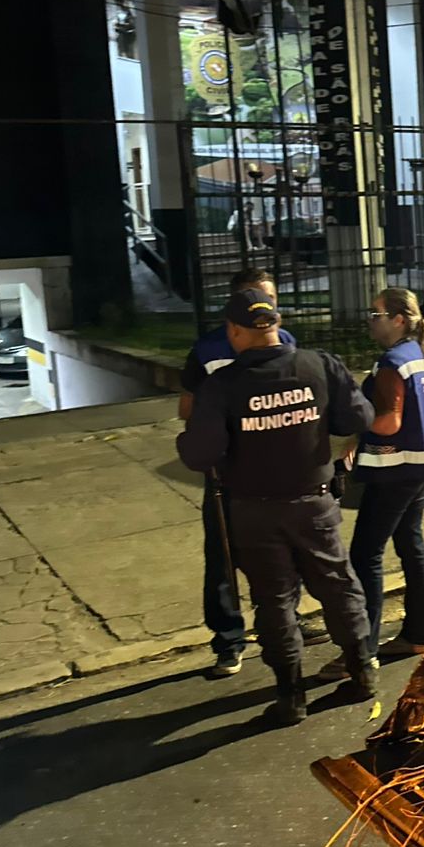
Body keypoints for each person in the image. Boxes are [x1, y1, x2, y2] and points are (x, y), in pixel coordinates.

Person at [176, 288, 374, 727]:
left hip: (255, 512)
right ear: (276, 323)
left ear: (234, 331)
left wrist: (187, 440)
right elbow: (358, 418)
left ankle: (291, 696)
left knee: (274, 600)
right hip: (315, 503)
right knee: (338, 586)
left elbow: (200, 453)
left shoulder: (223, 386)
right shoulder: (319, 365)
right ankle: (362, 672)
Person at [179, 267, 297, 679]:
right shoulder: (209, 350)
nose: (264, 307)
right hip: (228, 471)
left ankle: (285, 624)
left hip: (277, 469)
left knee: (282, 552)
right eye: (254, 299)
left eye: (270, 299)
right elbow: (187, 408)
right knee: (224, 556)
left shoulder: (286, 341)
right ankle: (229, 640)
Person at [345, 288, 424, 663]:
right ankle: (417, 634)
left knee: (365, 555)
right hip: (419, 466)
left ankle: (363, 649)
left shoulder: (392, 362)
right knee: (410, 544)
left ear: (398, 320)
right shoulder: (418, 355)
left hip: (392, 470)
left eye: (376, 314)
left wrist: (351, 419)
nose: (370, 321)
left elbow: (388, 422)